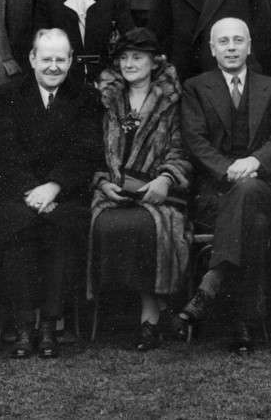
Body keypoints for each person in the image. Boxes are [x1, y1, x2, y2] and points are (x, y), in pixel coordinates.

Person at [174, 18, 271, 355]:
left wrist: (254, 163)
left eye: (238, 40)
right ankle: (244, 322)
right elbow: (195, 140)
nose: (231, 47)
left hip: (264, 186)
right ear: (212, 49)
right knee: (253, 224)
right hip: (214, 191)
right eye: (223, 42)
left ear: (250, 45)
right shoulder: (196, 87)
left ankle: (208, 287)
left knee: (250, 194)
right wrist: (229, 170)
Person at [0, 29, 102, 359]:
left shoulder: (85, 97)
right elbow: (3, 152)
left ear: (70, 60)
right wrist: (32, 192)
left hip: (65, 192)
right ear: (32, 59)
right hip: (19, 191)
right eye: (46, 59)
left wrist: (53, 186)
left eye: (60, 59)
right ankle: (24, 325)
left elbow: (86, 151)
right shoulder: (8, 95)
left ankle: (50, 325)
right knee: (16, 226)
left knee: (63, 228)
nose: (53, 66)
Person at [88, 28, 191, 352]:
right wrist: (103, 182)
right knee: (108, 224)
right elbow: (91, 150)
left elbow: (181, 150)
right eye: (124, 57)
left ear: (154, 60)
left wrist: (164, 180)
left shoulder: (171, 99)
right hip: (113, 191)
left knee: (148, 225)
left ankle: (149, 314)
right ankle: (151, 311)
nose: (129, 63)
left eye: (138, 56)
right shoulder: (106, 98)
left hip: (159, 191)